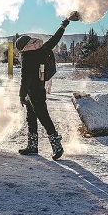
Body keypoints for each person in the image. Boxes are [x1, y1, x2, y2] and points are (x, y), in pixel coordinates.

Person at [15, 11, 79, 160]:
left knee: (43, 117)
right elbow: (55, 39)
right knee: (31, 117)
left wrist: (21, 95)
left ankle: (57, 145)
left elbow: (25, 78)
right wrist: (64, 24)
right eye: (31, 42)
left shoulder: (27, 57)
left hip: (34, 92)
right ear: (27, 46)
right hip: (38, 90)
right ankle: (33, 146)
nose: (34, 42)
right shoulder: (42, 51)